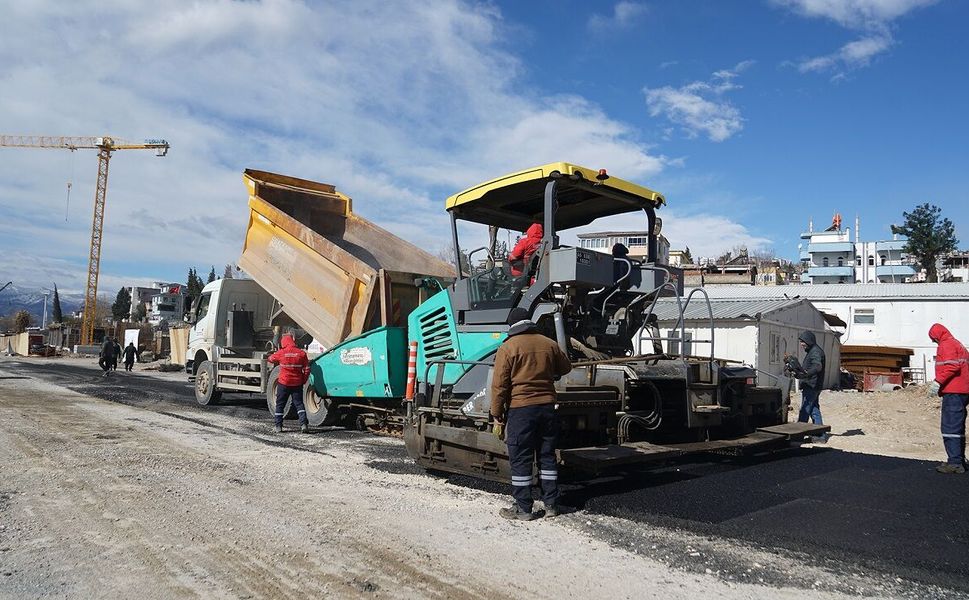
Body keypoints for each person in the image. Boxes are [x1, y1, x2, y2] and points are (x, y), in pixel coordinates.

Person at [490, 307, 572, 521]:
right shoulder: (549, 343)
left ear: (512, 326)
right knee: (547, 456)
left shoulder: (508, 348)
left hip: (521, 409)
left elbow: (499, 385)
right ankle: (552, 504)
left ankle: (523, 508)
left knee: (521, 458)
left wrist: (497, 414)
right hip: (547, 408)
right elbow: (566, 368)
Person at [928, 323, 969, 474]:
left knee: (950, 427)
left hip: (954, 391)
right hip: (962, 391)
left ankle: (955, 463)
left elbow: (952, 366)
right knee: (958, 427)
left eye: (933, 339)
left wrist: (938, 382)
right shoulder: (957, 344)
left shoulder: (946, 345)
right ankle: (959, 459)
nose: (934, 342)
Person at [785, 330, 826, 440]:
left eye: (803, 342)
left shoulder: (816, 352)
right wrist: (800, 373)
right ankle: (820, 435)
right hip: (813, 385)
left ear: (809, 341)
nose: (802, 344)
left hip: (811, 386)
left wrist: (806, 374)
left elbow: (817, 366)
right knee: (814, 410)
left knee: (805, 410)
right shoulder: (813, 351)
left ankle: (798, 435)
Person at [267, 333, 310, 433]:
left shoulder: (281, 353)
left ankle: (279, 426)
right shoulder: (301, 353)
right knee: (299, 404)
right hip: (297, 384)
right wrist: (303, 380)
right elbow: (307, 369)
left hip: (283, 383)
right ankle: (303, 425)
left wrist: (271, 356)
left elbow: (271, 359)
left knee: (280, 405)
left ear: (283, 342)